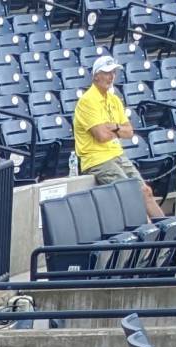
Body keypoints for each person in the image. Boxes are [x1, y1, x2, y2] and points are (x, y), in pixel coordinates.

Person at [73, 55, 164, 222]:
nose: (111, 76)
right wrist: (117, 129)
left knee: (145, 191)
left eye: (113, 72)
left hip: (117, 154)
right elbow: (101, 136)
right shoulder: (87, 101)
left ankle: (170, 232)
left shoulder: (114, 100)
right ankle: (148, 235)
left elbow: (129, 132)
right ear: (96, 75)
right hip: (97, 160)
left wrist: (112, 126)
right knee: (129, 193)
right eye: (107, 72)